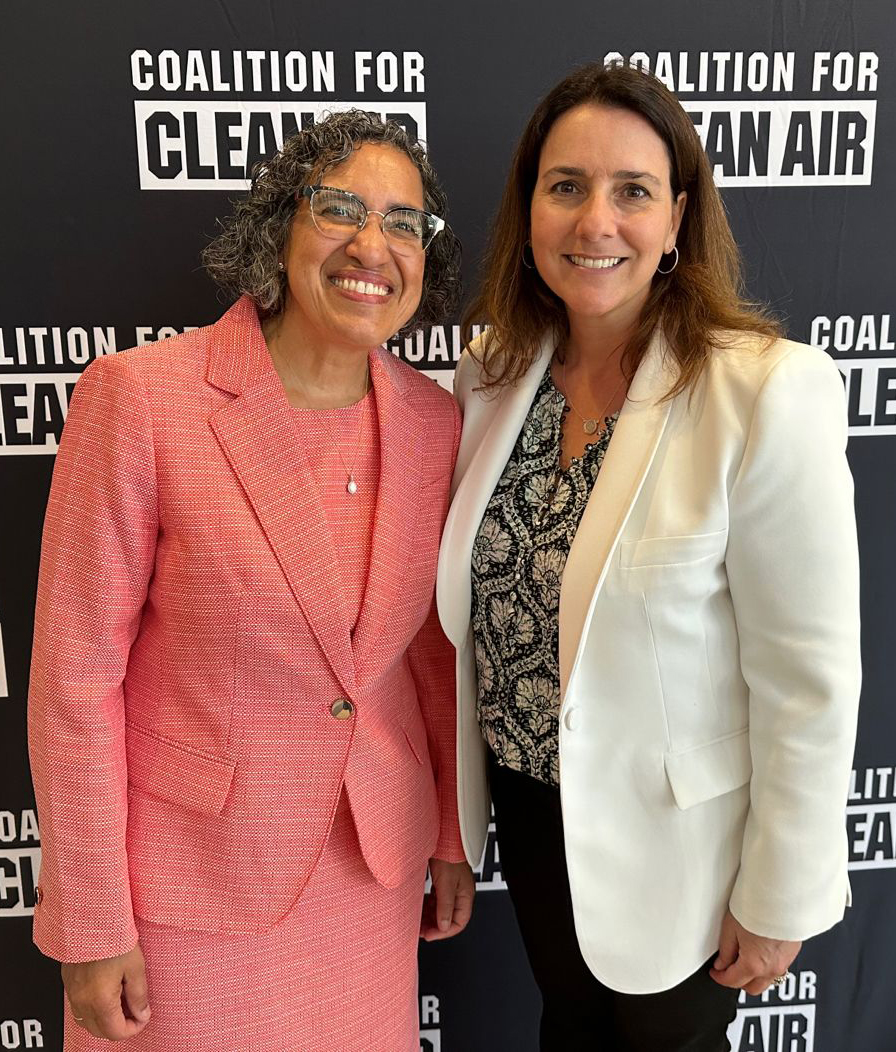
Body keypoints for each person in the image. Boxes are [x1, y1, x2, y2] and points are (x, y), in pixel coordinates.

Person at [28, 110, 474, 1052]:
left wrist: (447, 838)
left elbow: (431, 658)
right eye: (340, 208)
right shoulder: (142, 398)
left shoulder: (435, 424)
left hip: (369, 880)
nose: (372, 245)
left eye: (404, 223)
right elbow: (74, 680)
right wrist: (91, 919)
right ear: (280, 226)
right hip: (189, 895)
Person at [437, 63, 860, 1051]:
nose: (596, 221)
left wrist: (780, 887)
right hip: (533, 815)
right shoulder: (490, 374)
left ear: (676, 219)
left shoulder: (761, 388)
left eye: (631, 191)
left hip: (684, 850)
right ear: (529, 209)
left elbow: (807, 677)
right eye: (566, 186)